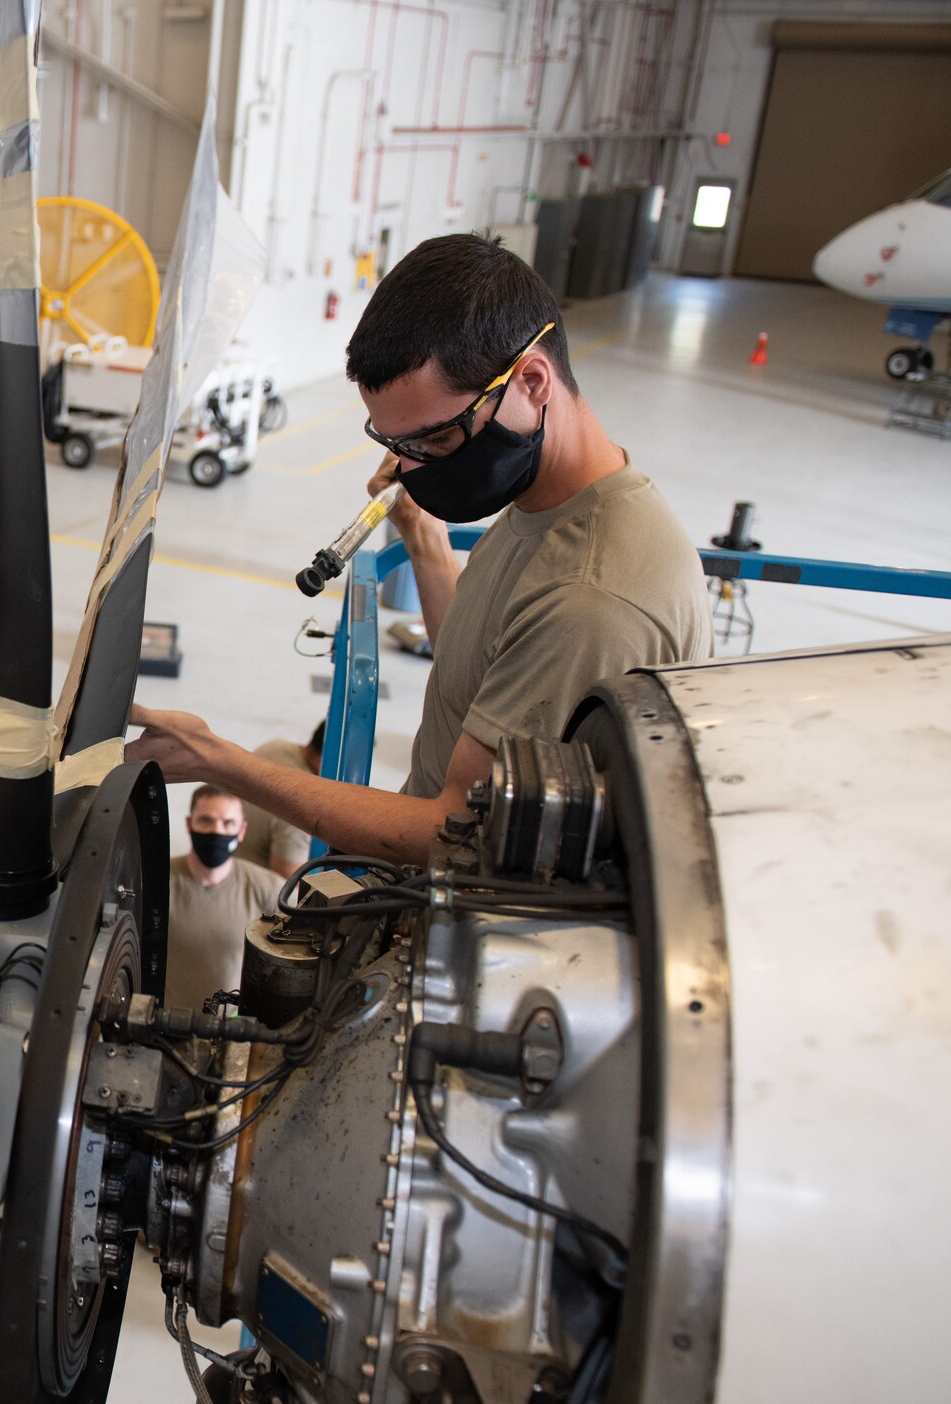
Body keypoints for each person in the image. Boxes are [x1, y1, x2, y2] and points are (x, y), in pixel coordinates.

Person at [128, 233, 711, 866]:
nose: (410, 466)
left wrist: (219, 761)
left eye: (435, 439)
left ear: (532, 381)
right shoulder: (548, 499)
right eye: (397, 442)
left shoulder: (592, 599)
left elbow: (456, 830)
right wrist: (426, 542)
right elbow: (480, 660)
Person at [166, 785, 280, 1015]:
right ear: (189, 824)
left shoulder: (269, 890)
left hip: (231, 1036)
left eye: (228, 823)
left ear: (242, 831)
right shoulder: (155, 880)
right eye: (206, 821)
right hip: (162, 1029)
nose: (216, 831)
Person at [236, 722, 324, 878]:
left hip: (226, 867)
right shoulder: (304, 805)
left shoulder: (275, 746)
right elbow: (287, 886)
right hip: (253, 890)